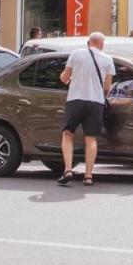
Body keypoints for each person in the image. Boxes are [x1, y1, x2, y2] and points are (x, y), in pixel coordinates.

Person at [57, 31, 115, 187]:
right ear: (102, 44)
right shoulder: (108, 59)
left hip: (75, 99)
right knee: (91, 139)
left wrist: (67, 77)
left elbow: (64, 78)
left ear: (88, 42)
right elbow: (107, 87)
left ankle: (68, 169)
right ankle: (88, 176)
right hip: (96, 102)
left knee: (68, 133)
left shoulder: (76, 54)